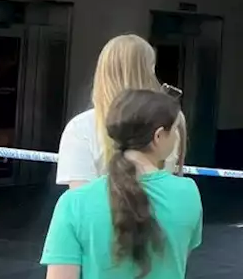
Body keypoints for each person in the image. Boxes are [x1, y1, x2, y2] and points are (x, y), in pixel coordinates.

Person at [26, 89, 201, 279]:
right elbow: (174, 264)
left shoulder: (74, 205)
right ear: (159, 137)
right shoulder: (188, 195)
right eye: (175, 132)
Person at [57, 35, 184, 189]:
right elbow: (166, 185)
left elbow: (81, 202)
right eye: (151, 70)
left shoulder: (80, 128)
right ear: (145, 73)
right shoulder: (168, 126)